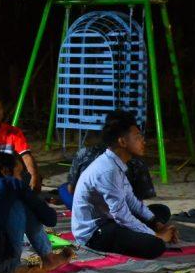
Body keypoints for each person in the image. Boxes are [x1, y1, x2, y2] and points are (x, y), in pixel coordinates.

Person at [72, 111, 177, 259]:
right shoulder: (108, 170)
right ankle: (150, 236)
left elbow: (132, 201)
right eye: (138, 137)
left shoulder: (117, 163)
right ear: (122, 142)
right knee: (155, 246)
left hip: (111, 219)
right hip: (95, 232)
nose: (143, 141)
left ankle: (149, 230)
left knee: (161, 211)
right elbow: (121, 216)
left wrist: (156, 223)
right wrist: (157, 235)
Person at [0, 152, 73, 273]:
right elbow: (50, 219)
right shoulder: (11, 183)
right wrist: (32, 198)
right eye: (19, 173)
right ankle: (43, 258)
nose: (21, 177)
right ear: (5, 171)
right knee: (22, 204)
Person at [57, 137, 156, 209]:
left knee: (65, 188)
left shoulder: (86, 153)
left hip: (100, 210)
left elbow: (72, 190)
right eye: (138, 137)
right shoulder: (135, 161)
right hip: (114, 212)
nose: (143, 141)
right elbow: (139, 201)